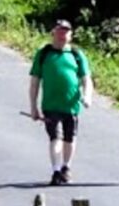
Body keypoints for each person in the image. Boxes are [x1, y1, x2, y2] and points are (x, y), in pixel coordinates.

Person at [28, 20, 92, 185]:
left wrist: (87, 96)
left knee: (70, 138)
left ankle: (66, 167)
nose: (63, 35)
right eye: (60, 31)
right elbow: (35, 81)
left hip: (71, 105)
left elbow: (86, 79)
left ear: (70, 35)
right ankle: (56, 170)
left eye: (66, 32)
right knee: (55, 137)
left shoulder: (77, 55)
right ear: (53, 33)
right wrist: (33, 107)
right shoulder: (43, 54)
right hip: (50, 105)